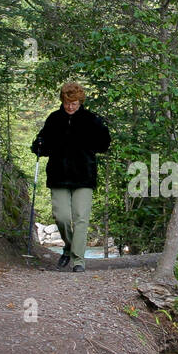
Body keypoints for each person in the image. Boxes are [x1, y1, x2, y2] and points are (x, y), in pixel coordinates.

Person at [30, 82, 111, 272]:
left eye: (74, 103)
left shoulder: (91, 119)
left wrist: (98, 139)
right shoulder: (54, 119)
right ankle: (68, 247)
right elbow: (42, 146)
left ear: (80, 101)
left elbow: (104, 144)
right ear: (63, 101)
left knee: (81, 217)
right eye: (67, 103)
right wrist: (39, 144)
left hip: (84, 176)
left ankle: (78, 260)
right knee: (62, 217)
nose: (70, 106)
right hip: (59, 176)